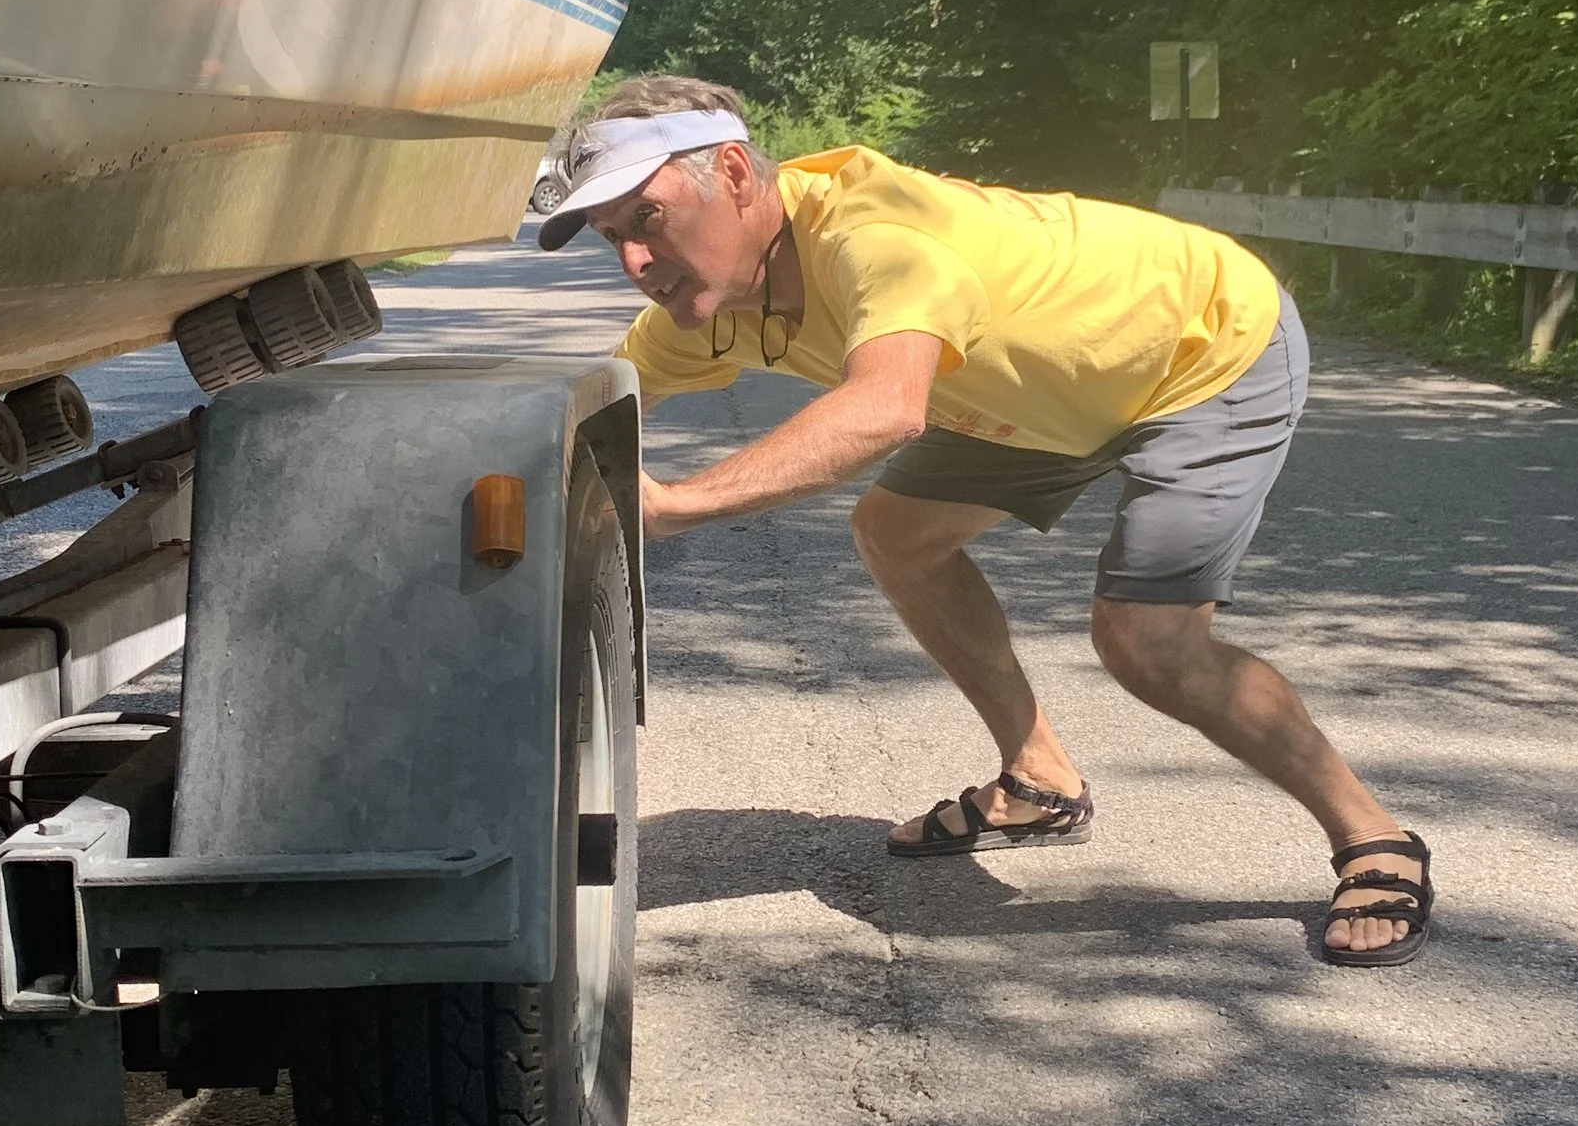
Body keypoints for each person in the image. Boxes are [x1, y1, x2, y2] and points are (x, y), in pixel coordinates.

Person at [537, 75, 1432, 964]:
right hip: (1034, 394)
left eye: (647, 221)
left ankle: (1373, 837)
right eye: (613, 239)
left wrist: (676, 503)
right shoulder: (706, 305)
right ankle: (1040, 777)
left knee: (1149, 642)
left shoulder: (874, 236)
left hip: (1197, 350)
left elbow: (886, 407)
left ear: (734, 171)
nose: (634, 266)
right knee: (896, 533)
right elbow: (590, 421)